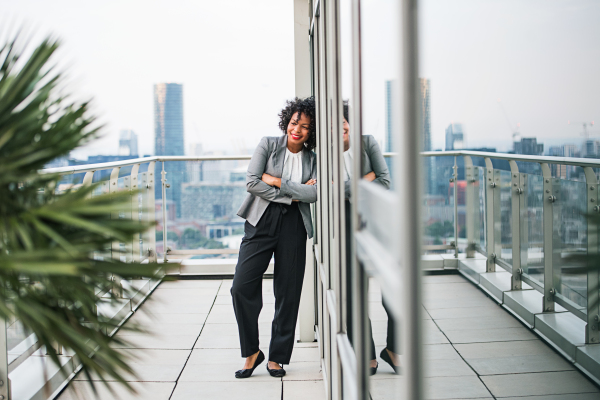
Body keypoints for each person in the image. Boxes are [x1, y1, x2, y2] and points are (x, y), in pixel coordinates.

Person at [231, 97, 317, 379]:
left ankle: (277, 357)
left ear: (311, 131)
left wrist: (278, 182)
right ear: (287, 122)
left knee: (288, 291)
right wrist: (293, 193)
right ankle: (252, 352)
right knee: (241, 286)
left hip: (294, 225)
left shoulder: (314, 158)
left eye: (305, 126)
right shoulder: (268, 144)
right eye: (294, 123)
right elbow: (252, 182)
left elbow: (314, 194)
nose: (298, 130)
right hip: (261, 221)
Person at [342, 102, 399, 375]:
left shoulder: (367, 142)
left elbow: (386, 181)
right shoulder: (320, 152)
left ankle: (393, 348)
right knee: (355, 291)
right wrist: (365, 179)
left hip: (376, 222)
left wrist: (342, 187)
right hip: (343, 225)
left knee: (394, 288)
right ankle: (367, 354)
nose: (341, 127)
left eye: (344, 122)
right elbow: (325, 192)